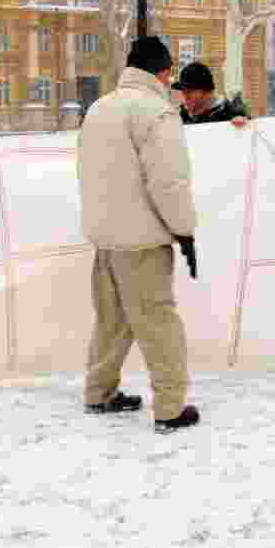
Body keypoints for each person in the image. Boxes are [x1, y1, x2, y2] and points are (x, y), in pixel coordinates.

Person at [76, 36, 201, 432]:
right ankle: (170, 407)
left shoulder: (99, 108)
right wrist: (184, 232)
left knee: (112, 319)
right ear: (162, 71)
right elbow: (168, 183)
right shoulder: (156, 112)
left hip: (105, 238)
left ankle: (99, 391)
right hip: (142, 238)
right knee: (157, 321)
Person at [171, 61, 249, 127]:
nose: (185, 97)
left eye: (189, 92)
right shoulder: (179, 116)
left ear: (208, 92)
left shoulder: (231, 114)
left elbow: (252, 137)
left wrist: (244, 127)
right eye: (183, 92)